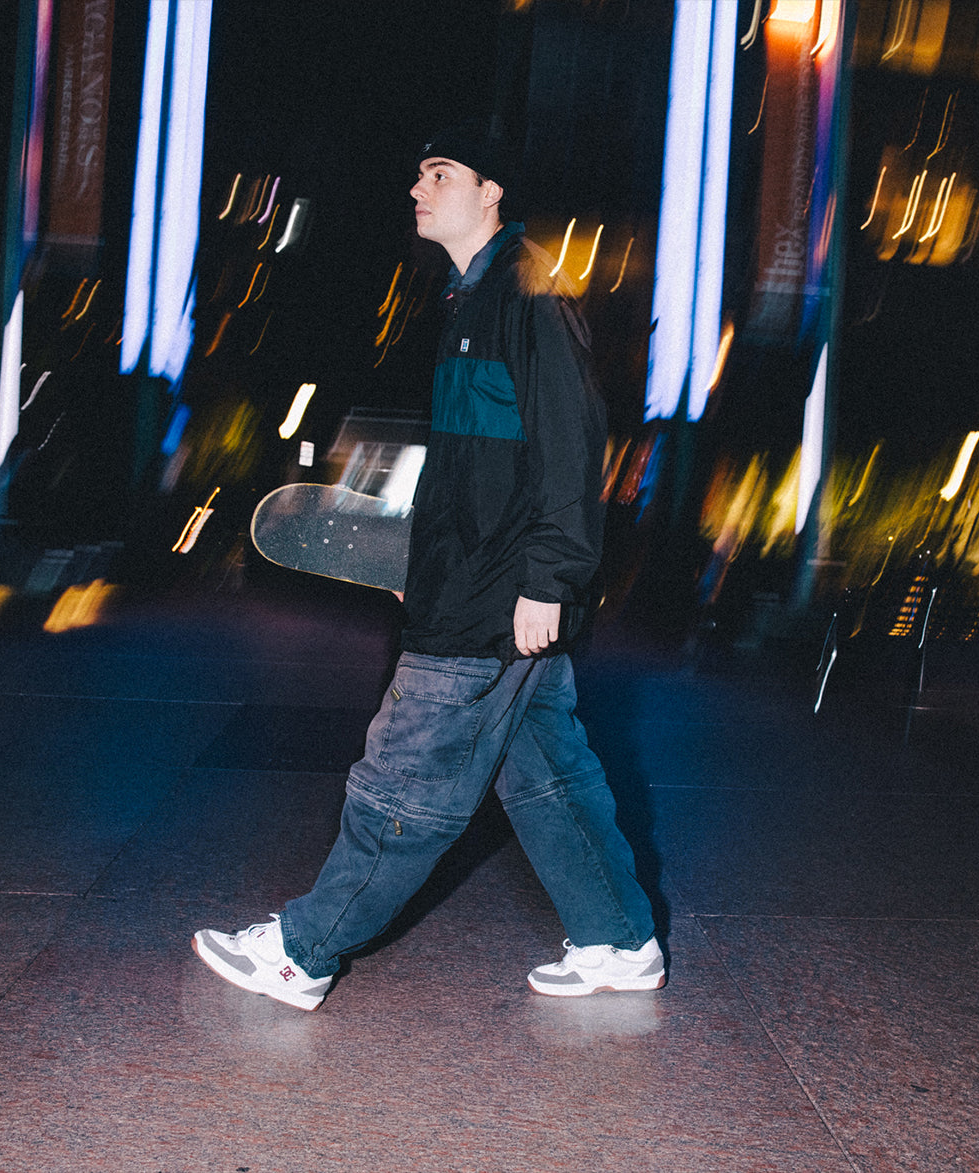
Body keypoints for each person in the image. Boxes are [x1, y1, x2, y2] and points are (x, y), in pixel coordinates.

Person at [192, 124, 663, 1010]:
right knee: (548, 774)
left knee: (404, 775)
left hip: (497, 595)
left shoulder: (526, 291)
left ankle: (303, 953)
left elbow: (571, 446)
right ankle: (619, 940)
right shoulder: (467, 298)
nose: (418, 187)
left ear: (491, 192)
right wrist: (424, 561)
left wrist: (548, 579)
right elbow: (469, 471)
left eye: (440, 173)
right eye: (417, 173)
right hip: (473, 581)